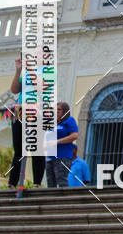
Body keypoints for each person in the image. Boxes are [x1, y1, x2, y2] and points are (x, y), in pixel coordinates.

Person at [8, 56, 45, 196]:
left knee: (37, 148)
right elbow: (14, 90)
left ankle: (37, 183)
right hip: (20, 111)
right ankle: (12, 182)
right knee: (18, 148)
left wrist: (30, 69)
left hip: (37, 111)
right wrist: (18, 71)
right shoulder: (24, 72)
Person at [46, 102, 79, 187]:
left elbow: (75, 135)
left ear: (65, 111)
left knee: (62, 181)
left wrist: (57, 141)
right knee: (50, 183)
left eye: (59, 109)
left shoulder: (69, 120)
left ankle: (64, 199)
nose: (56, 112)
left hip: (63, 156)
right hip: (50, 157)